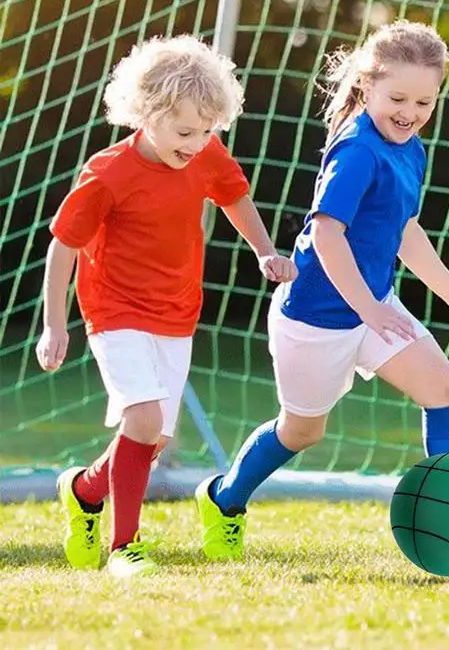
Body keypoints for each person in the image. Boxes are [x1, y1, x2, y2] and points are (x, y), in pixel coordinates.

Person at [194, 20, 449, 563]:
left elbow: (404, 228)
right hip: (316, 319)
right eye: (397, 97)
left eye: (424, 100)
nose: (410, 111)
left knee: (444, 388)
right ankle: (224, 499)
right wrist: (368, 309)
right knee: (301, 431)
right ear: (367, 86)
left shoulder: (410, 148)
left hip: (373, 308)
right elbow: (327, 233)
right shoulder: (356, 149)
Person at [35, 35, 297, 578]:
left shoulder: (205, 154)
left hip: (177, 312)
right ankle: (123, 549)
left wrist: (266, 250)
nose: (198, 142)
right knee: (144, 418)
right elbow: (63, 246)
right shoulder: (107, 174)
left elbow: (233, 196)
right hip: (114, 310)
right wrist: (53, 326)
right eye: (185, 131)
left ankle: (84, 491)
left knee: (152, 437)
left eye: (207, 131)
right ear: (147, 114)